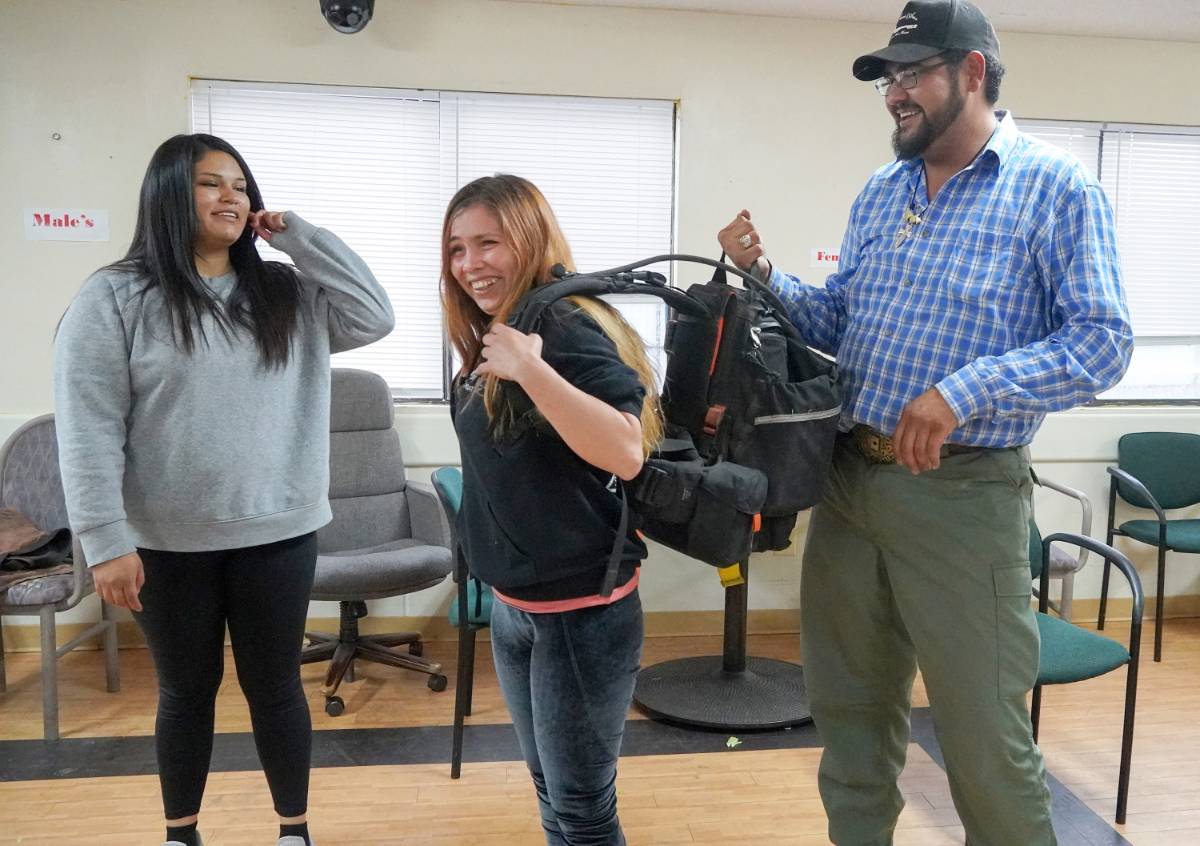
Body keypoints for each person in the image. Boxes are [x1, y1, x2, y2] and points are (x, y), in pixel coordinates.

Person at [717, 2, 1132, 843]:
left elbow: (1103, 341)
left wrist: (965, 390)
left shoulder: (1054, 189)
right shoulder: (884, 191)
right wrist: (764, 275)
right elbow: (839, 320)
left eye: (912, 73)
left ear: (973, 70)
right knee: (850, 721)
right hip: (847, 487)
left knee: (983, 740)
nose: (894, 94)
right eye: (888, 78)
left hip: (960, 497)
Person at [54, 133, 394, 846]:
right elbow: (87, 429)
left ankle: (293, 831)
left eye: (240, 185)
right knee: (186, 692)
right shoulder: (115, 296)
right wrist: (105, 540)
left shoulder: (286, 293)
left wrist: (297, 235)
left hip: (279, 533)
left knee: (274, 689)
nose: (231, 196)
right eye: (211, 183)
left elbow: (374, 313)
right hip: (165, 544)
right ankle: (182, 833)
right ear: (168, 196)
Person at [442, 174, 658, 846]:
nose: (470, 263)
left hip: (581, 615)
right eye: (456, 248)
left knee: (584, 809)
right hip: (517, 608)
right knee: (554, 796)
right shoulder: (502, 329)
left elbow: (626, 449)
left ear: (529, 239)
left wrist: (532, 369)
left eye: (488, 243)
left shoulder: (561, 326)